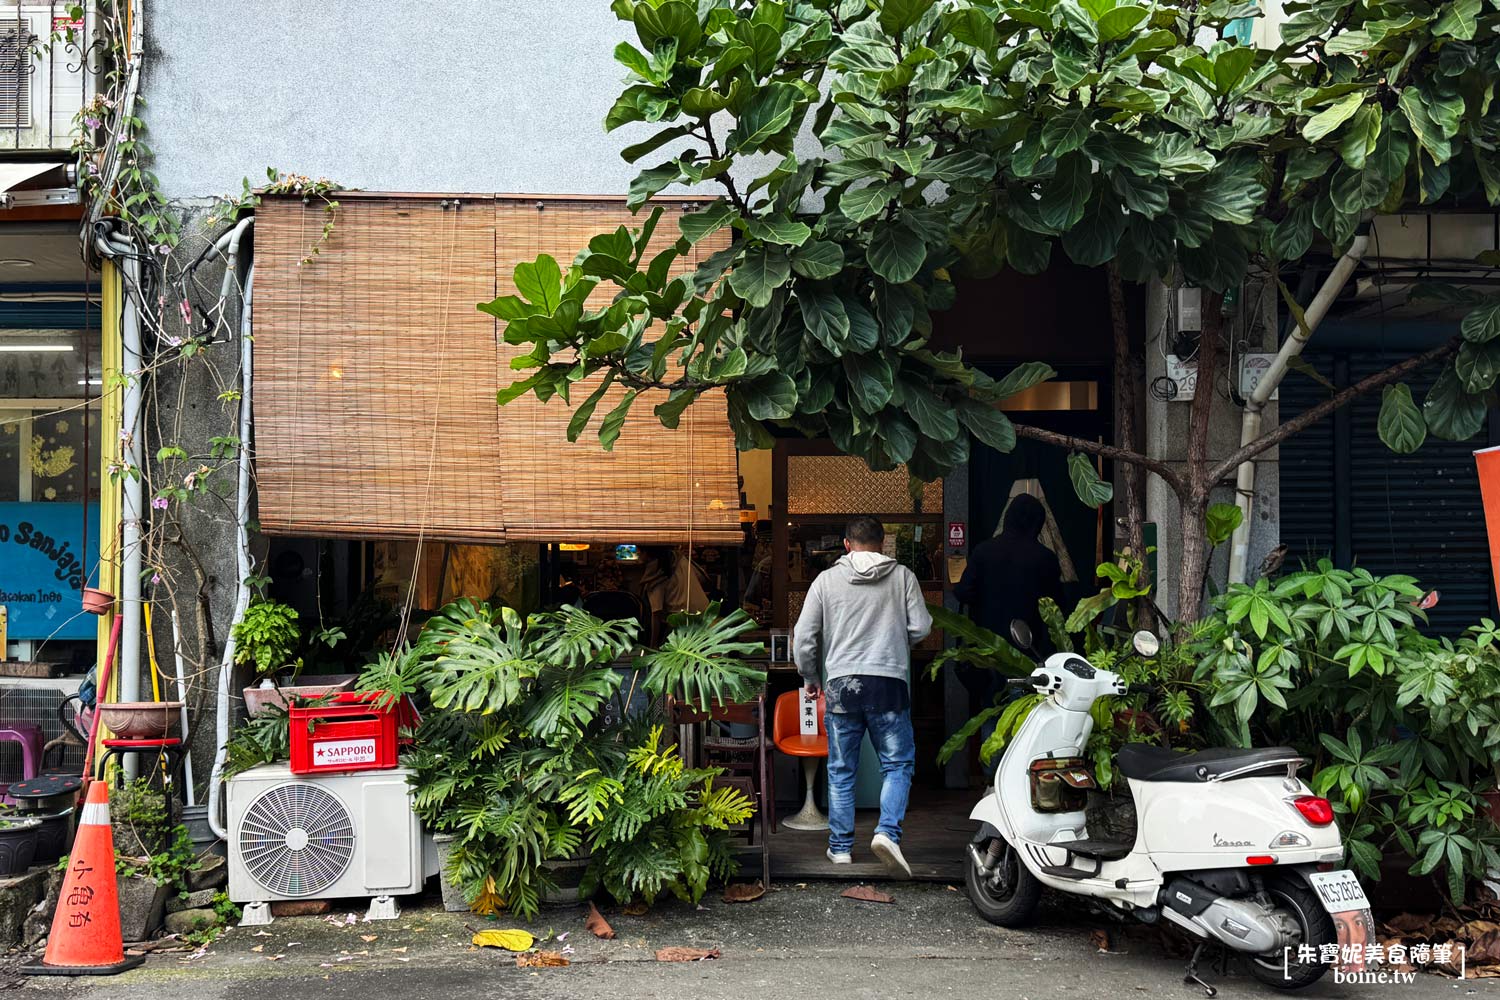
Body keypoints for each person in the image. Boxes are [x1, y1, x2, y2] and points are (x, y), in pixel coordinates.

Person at [793, 516, 932, 876]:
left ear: (846, 545)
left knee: (840, 770)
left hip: (842, 684)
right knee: (898, 764)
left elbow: (804, 635)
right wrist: (896, 644)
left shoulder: (826, 581)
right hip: (889, 682)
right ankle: (887, 832)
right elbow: (921, 626)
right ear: (883, 543)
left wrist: (810, 676)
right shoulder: (902, 577)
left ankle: (840, 849)